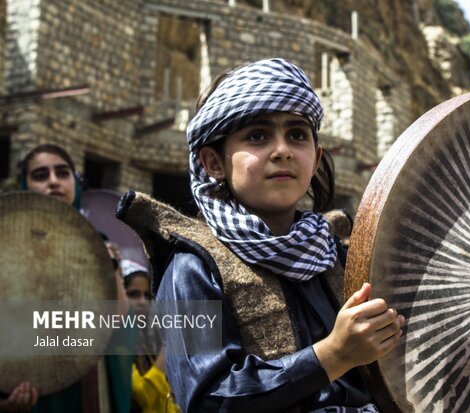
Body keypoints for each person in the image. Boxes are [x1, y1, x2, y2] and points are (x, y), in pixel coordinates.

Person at [125, 58, 406, 412]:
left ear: (315, 159)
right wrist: (334, 354)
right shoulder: (190, 269)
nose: (282, 150)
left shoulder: (339, 256)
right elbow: (207, 399)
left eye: (297, 135)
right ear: (213, 163)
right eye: (258, 136)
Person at [0, 144, 132, 412]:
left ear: (76, 182)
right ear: (26, 185)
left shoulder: (99, 243)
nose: (53, 181)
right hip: (28, 378)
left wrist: (111, 267)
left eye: (62, 173)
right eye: (40, 175)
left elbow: (118, 318)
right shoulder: (6, 241)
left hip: (85, 378)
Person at [121, 260, 178, 413]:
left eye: (147, 295)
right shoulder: (113, 340)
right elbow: (143, 395)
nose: (142, 302)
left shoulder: (148, 336)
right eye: (133, 294)